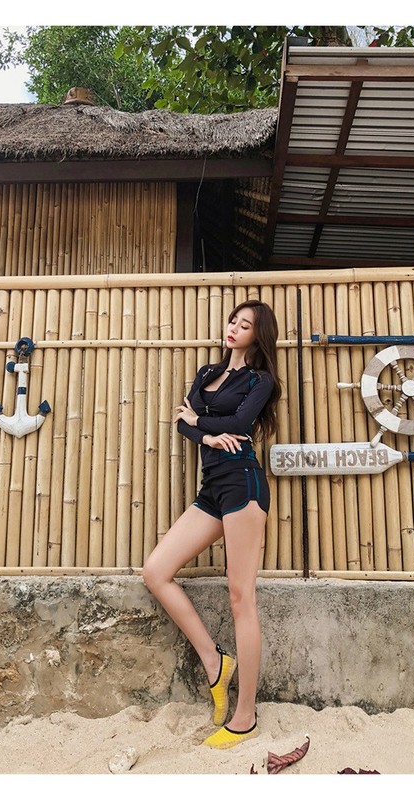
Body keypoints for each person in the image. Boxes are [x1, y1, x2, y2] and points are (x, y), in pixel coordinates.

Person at [142, 299, 282, 749]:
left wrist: (199, 420)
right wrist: (206, 432)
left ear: (258, 336)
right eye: (233, 321)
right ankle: (215, 661)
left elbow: (240, 421)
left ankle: (246, 716)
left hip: (243, 483)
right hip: (212, 487)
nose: (234, 328)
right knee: (156, 572)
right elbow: (181, 424)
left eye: (245, 325)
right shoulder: (207, 373)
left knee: (241, 596)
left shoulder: (261, 381)